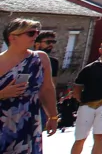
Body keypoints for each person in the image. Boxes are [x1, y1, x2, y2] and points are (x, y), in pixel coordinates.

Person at [0, 18, 58, 153]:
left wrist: (53, 116)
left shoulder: (40, 59)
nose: (36, 36)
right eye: (31, 33)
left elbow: (47, 89)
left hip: (28, 122)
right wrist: (3, 93)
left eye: (37, 32)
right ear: (13, 37)